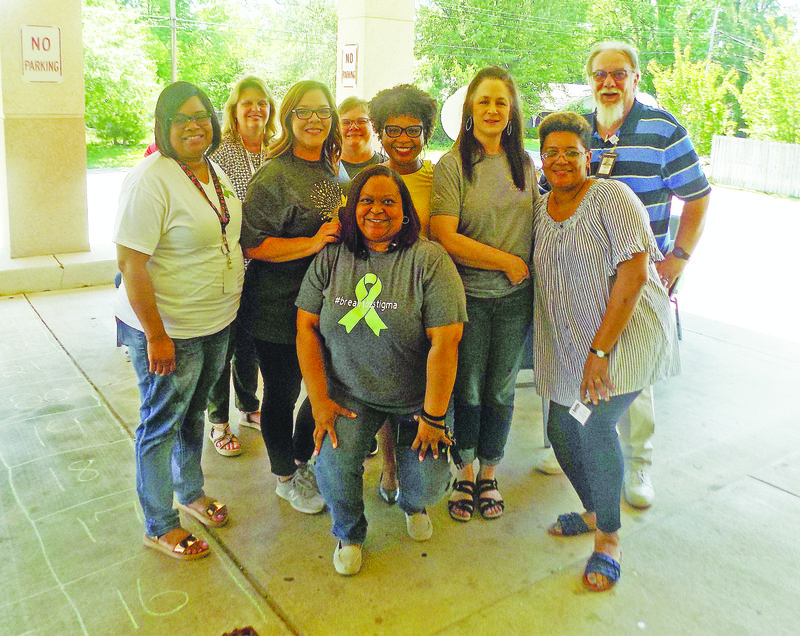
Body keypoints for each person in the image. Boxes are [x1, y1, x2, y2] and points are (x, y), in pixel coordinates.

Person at [537, 41, 711, 509]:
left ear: (636, 77)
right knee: (582, 365)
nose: (608, 83)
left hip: (637, 274)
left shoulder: (662, 128)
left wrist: (678, 258)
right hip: (583, 278)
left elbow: (697, 195)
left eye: (619, 74)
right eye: (600, 75)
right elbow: (545, 190)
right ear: (589, 79)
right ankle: (580, 442)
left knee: (633, 375)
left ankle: (638, 462)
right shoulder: (575, 128)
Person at [296, 165, 467, 575]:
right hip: (350, 393)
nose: (377, 210)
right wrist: (319, 400)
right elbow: (306, 326)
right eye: (366, 201)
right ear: (352, 209)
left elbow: (447, 342)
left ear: (405, 211)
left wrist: (434, 416)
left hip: (416, 398)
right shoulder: (333, 257)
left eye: (388, 201)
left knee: (427, 482)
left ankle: (412, 503)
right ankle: (350, 532)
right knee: (331, 468)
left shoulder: (429, 260)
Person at [534, 111, 678, 591]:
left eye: (570, 152)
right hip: (573, 343)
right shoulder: (541, 207)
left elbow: (634, 276)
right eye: (550, 152)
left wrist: (600, 350)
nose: (559, 161)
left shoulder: (611, 197)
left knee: (594, 427)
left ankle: (609, 540)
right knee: (560, 426)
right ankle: (596, 509)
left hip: (622, 339)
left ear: (588, 157)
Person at [115, 81, 244, 560]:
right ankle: (158, 521)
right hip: (169, 329)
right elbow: (131, 263)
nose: (194, 126)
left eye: (200, 116)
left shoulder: (212, 170)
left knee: (191, 415)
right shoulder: (151, 178)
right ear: (164, 126)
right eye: (181, 119)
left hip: (214, 322)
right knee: (160, 422)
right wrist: (156, 335)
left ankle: (189, 492)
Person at [430, 66, 537, 522]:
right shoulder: (453, 166)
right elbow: (444, 236)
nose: (492, 110)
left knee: (501, 389)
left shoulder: (526, 164)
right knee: (468, 389)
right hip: (468, 296)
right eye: (483, 102)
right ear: (469, 110)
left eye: (500, 102)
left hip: (515, 301)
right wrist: (507, 262)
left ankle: (490, 471)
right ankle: (465, 472)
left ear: (511, 110)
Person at [240, 80, 348, 515]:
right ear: (288, 118)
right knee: (282, 393)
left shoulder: (330, 166)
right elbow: (252, 245)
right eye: (304, 111)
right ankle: (285, 477)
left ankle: (303, 459)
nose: (315, 120)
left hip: (325, 304)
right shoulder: (274, 174)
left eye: (323, 111)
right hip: (277, 305)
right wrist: (313, 243)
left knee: (320, 388)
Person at [366, 83, 440, 505]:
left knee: (421, 385)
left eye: (413, 129)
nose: (403, 140)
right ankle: (390, 464)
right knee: (384, 382)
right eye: (392, 131)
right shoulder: (369, 180)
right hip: (382, 297)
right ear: (380, 133)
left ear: (426, 131)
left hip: (429, 297)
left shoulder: (440, 178)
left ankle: (423, 465)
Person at [204, 75, 278, 456]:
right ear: (234, 110)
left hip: (264, 268)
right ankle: (218, 422)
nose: (255, 109)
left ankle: (249, 407)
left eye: (262, 102)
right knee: (223, 346)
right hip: (230, 264)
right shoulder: (219, 154)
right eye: (247, 102)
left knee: (249, 344)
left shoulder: (277, 148)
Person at [338, 96, 382, 178]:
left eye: (361, 121)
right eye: (345, 122)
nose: (353, 127)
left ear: (374, 127)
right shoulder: (326, 168)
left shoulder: (387, 168)